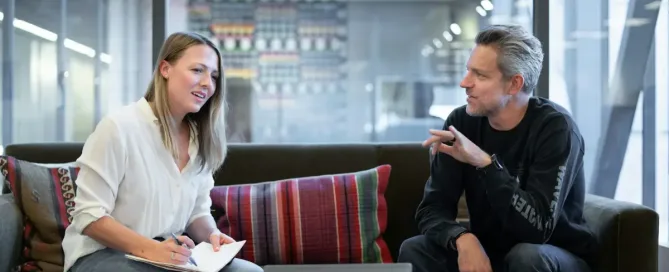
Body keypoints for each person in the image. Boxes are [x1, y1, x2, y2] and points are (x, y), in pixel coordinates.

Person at [397, 25, 597, 272]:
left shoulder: (556, 128)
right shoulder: (461, 123)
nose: (464, 83)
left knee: (526, 256)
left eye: (480, 76)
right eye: (468, 70)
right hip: (491, 251)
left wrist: (485, 163)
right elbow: (432, 209)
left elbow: (537, 229)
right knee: (415, 249)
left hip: (554, 255)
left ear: (514, 84)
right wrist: (462, 238)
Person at [62, 32, 263, 272]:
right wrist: (151, 249)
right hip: (104, 254)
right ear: (165, 69)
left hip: (167, 256)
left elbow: (197, 213)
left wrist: (212, 236)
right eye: (198, 70)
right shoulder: (119, 127)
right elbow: (89, 216)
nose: (208, 83)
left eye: (214, 75)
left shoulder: (200, 141)